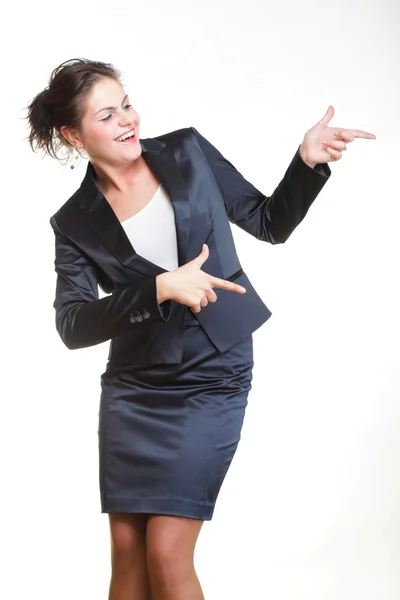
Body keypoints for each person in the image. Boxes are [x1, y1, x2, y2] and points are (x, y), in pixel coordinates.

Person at [26, 58, 375, 600]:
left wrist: (306, 162)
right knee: (126, 554)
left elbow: (268, 222)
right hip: (135, 388)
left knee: (166, 550)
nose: (127, 120)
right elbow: (72, 324)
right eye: (106, 114)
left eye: (126, 104)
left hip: (214, 372)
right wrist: (161, 287)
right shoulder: (72, 222)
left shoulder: (186, 151)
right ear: (74, 134)